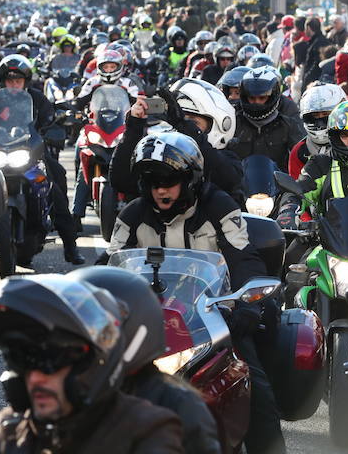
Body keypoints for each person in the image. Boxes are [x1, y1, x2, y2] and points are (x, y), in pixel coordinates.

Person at [107, 132, 286, 454]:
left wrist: (246, 305)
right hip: (148, 322)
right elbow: (109, 266)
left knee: (255, 389)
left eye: (169, 179)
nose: (160, 188)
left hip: (215, 316)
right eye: (151, 180)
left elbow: (245, 258)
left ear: (190, 179)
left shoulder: (219, 206)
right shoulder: (132, 215)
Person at [0, 273, 183, 454]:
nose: (35, 377)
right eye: (22, 359)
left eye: (51, 359)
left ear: (93, 364)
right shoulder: (6, 431)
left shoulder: (147, 432)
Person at [70, 266, 221, 454]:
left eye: (96, 328)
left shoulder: (178, 405)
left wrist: (245, 307)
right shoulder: (64, 388)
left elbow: (240, 256)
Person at [0, 55, 81, 264]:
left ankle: (70, 245)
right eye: (10, 80)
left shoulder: (37, 98)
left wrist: (54, 130)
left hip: (29, 153)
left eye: (18, 80)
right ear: (2, 81)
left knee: (57, 179)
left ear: (26, 81)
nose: (14, 84)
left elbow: (50, 120)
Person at [109, 78, 244, 205]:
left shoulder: (228, 161)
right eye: (175, 120)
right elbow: (121, 181)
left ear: (217, 124)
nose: (181, 128)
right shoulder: (160, 159)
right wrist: (134, 128)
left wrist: (184, 125)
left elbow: (228, 180)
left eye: (193, 122)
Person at [229, 67, 304, 172]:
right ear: (245, 97)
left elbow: (302, 159)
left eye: (262, 98)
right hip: (239, 185)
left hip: (278, 186)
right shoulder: (233, 124)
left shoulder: (288, 125)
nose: (256, 102)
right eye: (252, 98)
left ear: (272, 96)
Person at [288, 82, 346, 179]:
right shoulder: (299, 151)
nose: (320, 122)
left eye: (326, 115)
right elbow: (295, 188)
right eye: (315, 116)